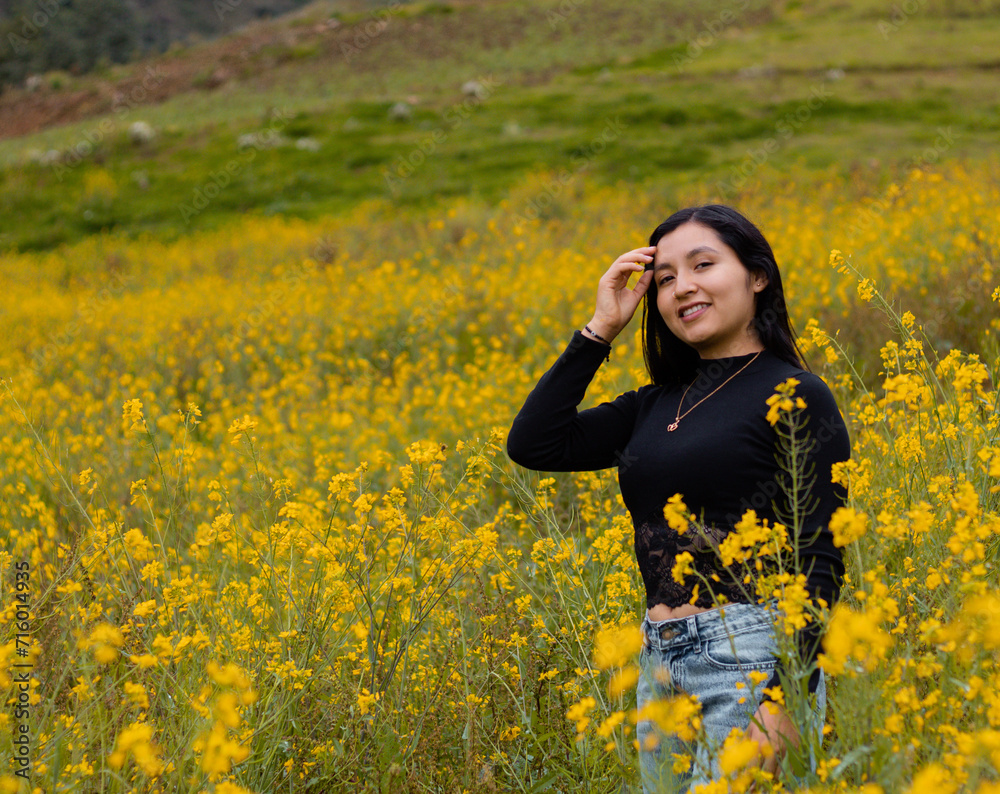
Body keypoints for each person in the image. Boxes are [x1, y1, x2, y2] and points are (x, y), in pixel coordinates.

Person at [506, 205, 850, 792]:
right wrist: (600, 328)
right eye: (664, 278)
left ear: (757, 276)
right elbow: (534, 443)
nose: (682, 287)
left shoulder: (795, 393)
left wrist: (786, 696)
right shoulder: (655, 404)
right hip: (660, 665)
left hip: (754, 659)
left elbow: (821, 557)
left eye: (703, 264)